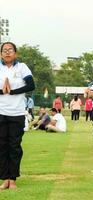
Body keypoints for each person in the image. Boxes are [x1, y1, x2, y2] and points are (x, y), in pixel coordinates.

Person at [0, 42, 35, 189]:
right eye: (4, 50)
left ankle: (13, 178)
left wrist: (12, 91)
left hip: (17, 113)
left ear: (15, 53)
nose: (7, 52)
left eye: (10, 50)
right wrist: (2, 91)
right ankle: (4, 179)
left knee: (14, 146)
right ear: (1, 53)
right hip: (1, 112)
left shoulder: (22, 67)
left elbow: (31, 85)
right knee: (1, 146)